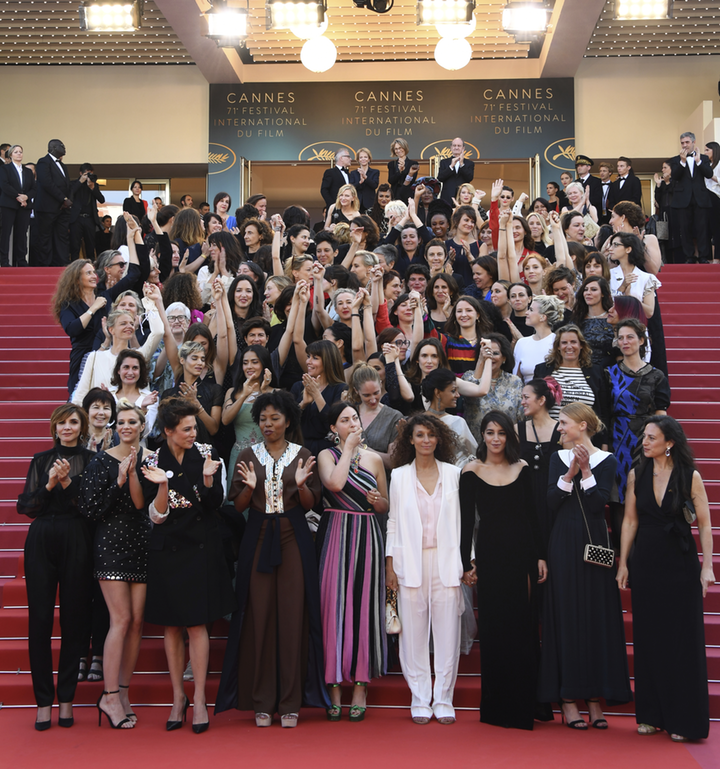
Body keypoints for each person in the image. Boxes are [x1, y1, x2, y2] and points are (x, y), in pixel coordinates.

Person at [216, 391, 328, 727]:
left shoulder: (303, 454)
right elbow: (237, 506)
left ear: (288, 421)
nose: (267, 424)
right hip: (258, 535)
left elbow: (309, 504)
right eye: (263, 419)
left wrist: (301, 485)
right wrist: (250, 490)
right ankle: (262, 701)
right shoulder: (248, 455)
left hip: (294, 536)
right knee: (258, 615)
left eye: (274, 418)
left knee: (294, 615)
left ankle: (291, 702)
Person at [140, 396, 236, 733]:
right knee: (171, 626)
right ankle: (177, 697)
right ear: (168, 431)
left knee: (197, 625)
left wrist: (209, 479)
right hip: (168, 549)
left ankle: (198, 700)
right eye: (186, 429)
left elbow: (215, 505)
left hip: (201, 548)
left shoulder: (209, 456)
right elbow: (156, 516)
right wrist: (163, 485)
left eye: (195, 427)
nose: (193, 433)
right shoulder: (151, 460)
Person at [617, 416, 714, 742]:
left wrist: (707, 566)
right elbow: (630, 521)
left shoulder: (690, 475)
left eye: (651, 438)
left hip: (680, 564)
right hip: (646, 563)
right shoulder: (637, 473)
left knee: (681, 642)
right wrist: (623, 563)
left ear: (669, 443)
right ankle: (650, 715)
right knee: (648, 639)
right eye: (644, 436)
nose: (644, 442)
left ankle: (684, 720)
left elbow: (703, 523)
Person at [538, 403, 632, 730]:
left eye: (564, 423)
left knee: (595, 616)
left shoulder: (608, 460)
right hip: (563, 539)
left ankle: (594, 697)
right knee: (565, 614)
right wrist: (569, 475)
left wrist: (588, 472)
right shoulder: (556, 459)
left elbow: (597, 505)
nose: (559, 428)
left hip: (594, 543)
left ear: (582, 425)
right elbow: (551, 502)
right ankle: (567, 698)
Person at [460, 410, 547, 730]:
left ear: (509, 436)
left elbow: (532, 516)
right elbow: (466, 522)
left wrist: (539, 556)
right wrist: (464, 562)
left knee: (523, 629)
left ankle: (525, 705)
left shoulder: (522, 468)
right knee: (495, 631)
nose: (495, 438)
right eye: (490, 432)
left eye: (501, 433)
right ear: (482, 435)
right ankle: (497, 708)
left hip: (522, 555)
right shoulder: (470, 471)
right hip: (490, 556)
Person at [17, 404, 95, 730]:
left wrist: (66, 484)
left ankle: (66, 699)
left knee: (74, 621)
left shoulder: (91, 461)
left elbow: (89, 506)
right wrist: (49, 483)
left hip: (76, 540)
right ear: (54, 427)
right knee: (40, 620)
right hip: (41, 541)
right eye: (61, 422)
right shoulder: (40, 460)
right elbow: (26, 506)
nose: (67, 427)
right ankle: (43, 701)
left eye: (73, 422)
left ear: (82, 427)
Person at [79, 401, 152, 729]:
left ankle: (122, 692)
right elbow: (91, 509)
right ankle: (108, 695)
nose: (125, 426)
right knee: (120, 620)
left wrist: (134, 471)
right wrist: (118, 480)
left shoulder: (150, 460)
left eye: (131, 421)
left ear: (141, 426)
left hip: (140, 541)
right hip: (109, 543)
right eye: (120, 422)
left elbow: (141, 505)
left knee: (137, 622)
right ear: (114, 427)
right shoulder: (99, 461)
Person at [386, 414, 463, 725]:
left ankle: (444, 698)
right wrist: (390, 565)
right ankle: (420, 698)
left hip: (446, 562)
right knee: (413, 637)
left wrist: (467, 561)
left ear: (440, 439)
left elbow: (465, 523)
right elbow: (392, 522)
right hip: (410, 563)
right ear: (411, 440)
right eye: (420, 435)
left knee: (447, 635)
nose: (426, 440)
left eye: (431, 435)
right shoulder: (399, 476)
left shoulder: (455, 474)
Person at [317, 402, 389, 721]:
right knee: (333, 607)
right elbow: (333, 484)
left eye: (355, 418)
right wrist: (348, 448)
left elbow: (385, 505)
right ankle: (333, 686)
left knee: (363, 607)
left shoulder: (376, 458)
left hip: (367, 533)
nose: (353, 423)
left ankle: (360, 686)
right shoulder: (325, 455)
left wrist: (378, 501)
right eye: (344, 420)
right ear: (334, 428)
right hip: (335, 533)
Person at [605, 319, 670, 541]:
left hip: (646, 440)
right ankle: (624, 557)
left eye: (630, 337)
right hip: (617, 439)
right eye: (620, 337)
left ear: (641, 340)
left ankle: (643, 554)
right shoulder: (608, 373)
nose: (625, 342)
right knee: (619, 498)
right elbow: (604, 412)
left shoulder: (656, 376)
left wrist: (664, 445)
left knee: (644, 494)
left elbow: (661, 415)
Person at [517, 378, 562, 547]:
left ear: (541, 400)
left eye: (526, 397)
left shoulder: (561, 431)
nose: (522, 402)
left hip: (551, 498)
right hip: (525, 498)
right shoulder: (517, 429)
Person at [223, 345, 277, 476]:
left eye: (255, 362)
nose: (249, 367)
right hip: (239, 456)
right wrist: (243, 396)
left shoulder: (276, 393)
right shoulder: (232, 392)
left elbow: (275, 423)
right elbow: (225, 420)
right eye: (245, 363)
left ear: (264, 364)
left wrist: (264, 392)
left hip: (268, 454)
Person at [533, 324, 604, 420]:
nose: (569, 346)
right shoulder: (542, 370)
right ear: (558, 346)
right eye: (564, 342)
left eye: (573, 342)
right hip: (551, 433)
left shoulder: (596, 372)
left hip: (584, 433)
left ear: (581, 345)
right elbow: (535, 403)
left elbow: (604, 409)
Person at [347, 362, 403, 469]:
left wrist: (363, 449)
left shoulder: (394, 417)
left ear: (381, 384)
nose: (373, 400)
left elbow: (393, 462)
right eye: (366, 395)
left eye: (376, 393)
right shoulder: (349, 413)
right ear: (356, 391)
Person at [669, 131, 713, 263]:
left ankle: (703, 256)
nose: (684, 145)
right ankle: (689, 256)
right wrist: (682, 162)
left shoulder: (704, 158)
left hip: (700, 198)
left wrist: (699, 161)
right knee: (685, 228)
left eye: (687, 142)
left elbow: (709, 174)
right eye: (682, 143)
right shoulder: (675, 160)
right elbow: (675, 177)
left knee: (702, 228)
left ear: (694, 142)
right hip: (683, 199)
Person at [34, 139, 72, 266]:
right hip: (47, 208)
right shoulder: (43, 162)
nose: (64, 148)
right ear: (53, 147)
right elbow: (47, 183)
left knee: (61, 237)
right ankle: (45, 265)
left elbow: (67, 186)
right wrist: (63, 199)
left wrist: (66, 200)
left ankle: (61, 264)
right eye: (62, 145)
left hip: (62, 209)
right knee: (45, 237)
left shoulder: (63, 165)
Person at [512, 295, 563, 384]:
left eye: (531, 310)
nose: (526, 313)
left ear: (543, 317)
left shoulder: (557, 341)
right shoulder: (521, 343)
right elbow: (516, 381)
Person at [0, 144, 35, 267]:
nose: (19, 154)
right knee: (5, 233)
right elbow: (4, 185)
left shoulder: (28, 171)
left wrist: (26, 197)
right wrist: (19, 196)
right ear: (11, 155)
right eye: (16, 152)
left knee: (22, 234)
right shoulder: (5, 169)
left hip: (24, 206)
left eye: (20, 152)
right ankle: (4, 260)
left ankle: (21, 260)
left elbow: (34, 188)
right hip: (9, 205)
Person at [572, 276, 615, 369]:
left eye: (594, 289)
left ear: (603, 293)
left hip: (609, 372)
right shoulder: (576, 319)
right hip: (582, 370)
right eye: (586, 289)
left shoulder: (613, 319)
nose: (588, 293)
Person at [69, 163, 105, 262]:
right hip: (76, 219)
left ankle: (91, 265)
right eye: (86, 174)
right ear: (81, 173)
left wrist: (92, 187)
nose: (88, 176)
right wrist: (80, 182)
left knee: (90, 245)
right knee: (75, 245)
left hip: (89, 219)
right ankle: (74, 267)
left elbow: (101, 199)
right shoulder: (74, 183)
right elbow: (69, 195)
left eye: (90, 174)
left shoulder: (94, 185)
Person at [438, 138, 474, 205]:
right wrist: (451, 166)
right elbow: (440, 177)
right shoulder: (444, 162)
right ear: (451, 148)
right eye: (454, 145)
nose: (456, 147)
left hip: (463, 199)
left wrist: (462, 164)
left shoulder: (469, 163)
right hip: (447, 197)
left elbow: (469, 178)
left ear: (463, 148)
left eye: (459, 146)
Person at [387, 138, 419, 203]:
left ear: (405, 148)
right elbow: (391, 180)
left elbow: (412, 180)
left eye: (400, 148)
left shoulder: (413, 164)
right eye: (396, 149)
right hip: (394, 195)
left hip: (408, 195)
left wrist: (404, 170)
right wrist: (400, 172)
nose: (398, 150)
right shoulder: (391, 164)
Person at [349, 147, 380, 212]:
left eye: (365, 157)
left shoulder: (375, 172)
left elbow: (375, 185)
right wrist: (360, 182)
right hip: (356, 203)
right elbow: (351, 187)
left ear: (369, 159)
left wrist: (366, 177)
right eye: (361, 157)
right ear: (358, 159)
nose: (363, 159)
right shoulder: (353, 173)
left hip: (370, 203)